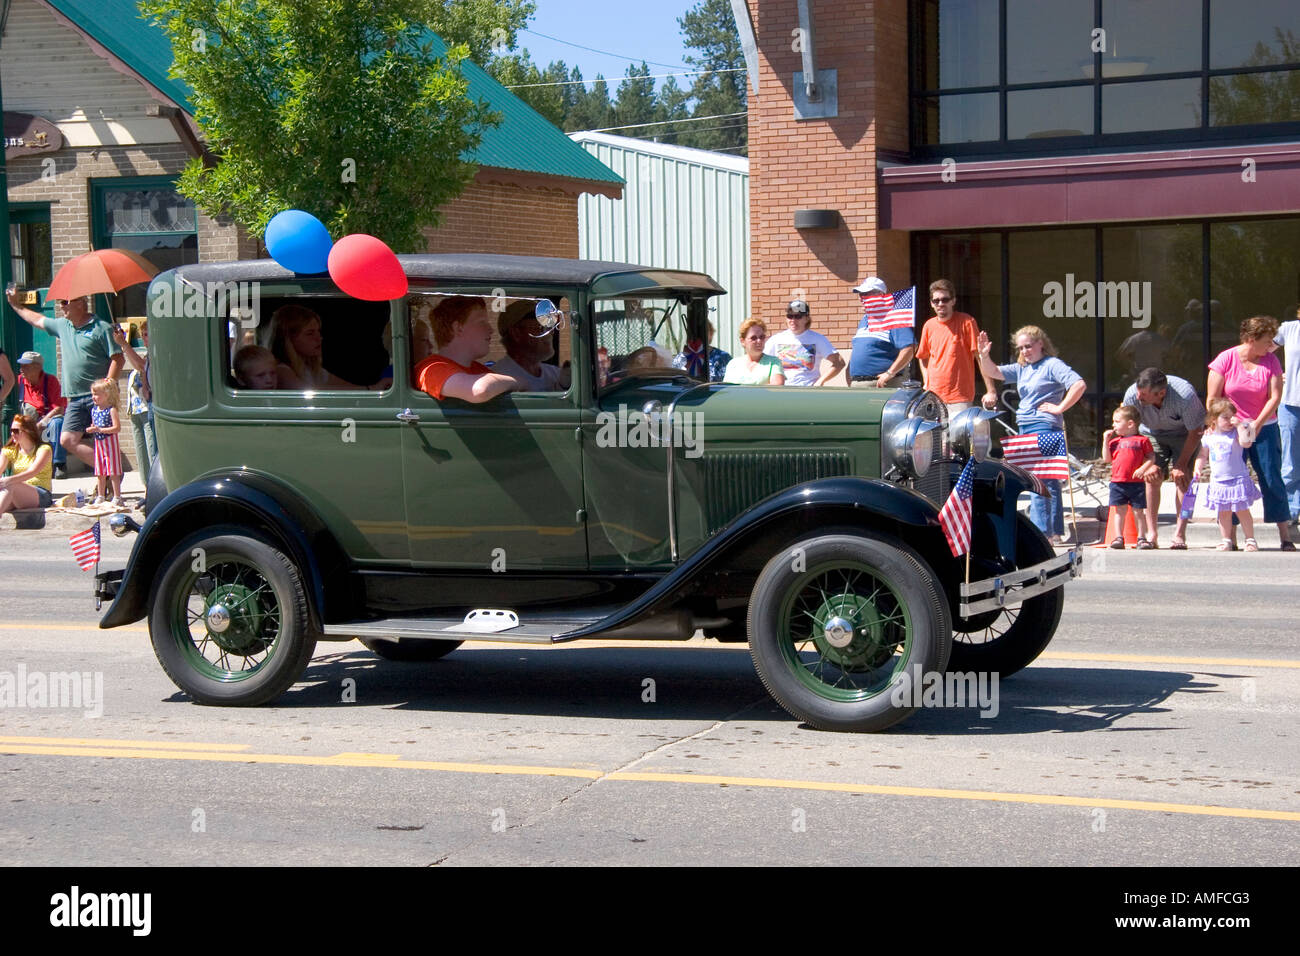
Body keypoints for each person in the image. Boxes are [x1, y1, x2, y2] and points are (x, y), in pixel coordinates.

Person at [977, 325, 1086, 544]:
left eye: (1028, 346)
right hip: (1025, 426)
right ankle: (1052, 532)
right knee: (1044, 480)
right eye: (1021, 347)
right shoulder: (1022, 368)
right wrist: (984, 355)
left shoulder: (1052, 365)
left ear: (1041, 344)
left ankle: (1043, 533)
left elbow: (1078, 384)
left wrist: (1060, 407)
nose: (1025, 351)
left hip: (1044, 426)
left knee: (1040, 479)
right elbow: (994, 372)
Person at [5, 289, 123, 472]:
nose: (61, 306)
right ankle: (109, 471)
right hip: (75, 398)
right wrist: (15, 305)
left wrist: (108, 386)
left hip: (99, 398)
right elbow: (35, 319)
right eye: (60, 303)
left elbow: (118, 358)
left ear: (81, 303)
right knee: (67, 440)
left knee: (103, 439)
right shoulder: (63, 325)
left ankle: (109, 477)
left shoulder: (102, 328)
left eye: (64, 302)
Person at [1207, 315, 1294, 551]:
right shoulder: (1226, 359)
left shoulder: (1271, 361)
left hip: (1263, 427)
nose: (1270, 346)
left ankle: (1285, 535)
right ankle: (1231, 537)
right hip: (1230, 429)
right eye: (1266, 341)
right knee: (1230, 478)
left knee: (1271, 477)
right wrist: (1225, 424)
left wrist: (1255, 424)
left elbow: (1275, 397)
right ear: (1250, 339)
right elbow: (1213, 399)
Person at [1122, 367, 1205, 549]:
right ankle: (1152, 534)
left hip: (1185, 434)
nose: (1138, 397)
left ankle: (1180, 533)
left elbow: (1196, 431)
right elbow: (1128, 429)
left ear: (1161, 393)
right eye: (1138, 391)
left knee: (1184, 480)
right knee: (1151, 478)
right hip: (1150, 434)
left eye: (1144, 394)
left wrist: (1182, 464)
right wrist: (1148, 462)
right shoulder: (1131, 395)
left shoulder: (1185, 395)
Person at [414, 296, 522, 403]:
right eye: (482, 322)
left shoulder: (479, 370)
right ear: (458, 328)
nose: (491, 329)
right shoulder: (431, 368)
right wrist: (518, 381)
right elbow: (478, 390)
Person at [916, 278, 998, 416]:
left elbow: (981, 357)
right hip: (934, 397)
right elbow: (922, 357)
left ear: (953, 301)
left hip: (960, 397)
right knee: (934, 437)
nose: (940, 304)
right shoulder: (928, 326)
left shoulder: (967, 322)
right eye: (936, 301)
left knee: (959, 437)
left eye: (945, 299)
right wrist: (927, 380)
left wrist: (991, 391)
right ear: (931, 304)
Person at [1195, 398, 1262, 551]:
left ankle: (1250, 540)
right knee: (1223, 512)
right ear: (1214, 419)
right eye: (1225, 417)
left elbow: (1247, 443)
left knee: (1242, 511)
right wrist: (1197, 468)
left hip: (1237, 479)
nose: (1229, 421)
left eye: (1231, 416)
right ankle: (1226, 539)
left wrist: (1239, 425)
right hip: (1219, 480)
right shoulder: (1208, 436)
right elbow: (1203, 455)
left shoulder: (1236, 433)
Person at [268, 304, 376, 390]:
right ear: (288, 339)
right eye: (310, 333)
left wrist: (372, 389)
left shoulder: (312, 370)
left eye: (318, 332)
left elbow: (350, 389)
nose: (319, 338)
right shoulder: (281, 371)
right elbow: (315, 395)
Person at [1102, 405, 1158, 549]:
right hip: (1118, 481)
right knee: (1119, 511)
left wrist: (1142, 469)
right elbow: (1107, 459)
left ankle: (1141, 537)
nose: (1113, 425)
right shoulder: (1115, 442)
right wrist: (1105, 441)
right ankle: (1118, 537)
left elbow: (1151, 457)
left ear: (1130, 424)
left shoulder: (1142, 440)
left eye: (1117, 421)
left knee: (1138, 511)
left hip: (1136, 482)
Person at [848, 277, 915, 387]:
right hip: (857, 385)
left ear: (880, 295)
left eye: (865, 294)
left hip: (881, 385)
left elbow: (910, 348)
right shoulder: (864, 320)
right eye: (860, 295)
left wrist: (890, 373)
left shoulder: (893, 318)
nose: (861, 298)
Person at [764, 299, 843, 387]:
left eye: (798, 316)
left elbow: (839, 363)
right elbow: (762, 363)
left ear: (806, 318)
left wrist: (820, 381)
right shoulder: (776, 339)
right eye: (790, 316)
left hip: (808, 392)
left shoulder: (818, 339)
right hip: (781, 391)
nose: (793, 320)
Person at [112, 322, 156, 480]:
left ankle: (153, 485)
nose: (144, 338)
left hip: (147, 407)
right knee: (141, 451)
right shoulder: (148, 354)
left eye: (146, 334)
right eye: (142, 335)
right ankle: (146, 486)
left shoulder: (157, 354)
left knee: (152, 450)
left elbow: (140, 366)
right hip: (135, 409)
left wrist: (124, 344)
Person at [491, 300, 568, 391]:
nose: (549, 334)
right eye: (541, 328)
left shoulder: (556, 374)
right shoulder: (499, 377)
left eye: (549, 328)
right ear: (516, 333)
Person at [14, 351, 68, 478]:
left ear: (37, 367)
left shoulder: (51, 381)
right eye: (21, 365)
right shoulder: (18, 381)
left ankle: (59, 464)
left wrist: (40, 424)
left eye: (26, 366)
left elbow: (59, 408)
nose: (22, 369)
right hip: (26, 423)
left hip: (46, 422)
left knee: (58, 422)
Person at [1274, 308, 1300, 525]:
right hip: (1291, 403)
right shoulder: (1288, 329)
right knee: (1290, 462)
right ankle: (1290, 514)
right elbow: (1261, 352)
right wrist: (1273, 373)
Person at [0, 414, 54, 516]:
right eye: (11, 430)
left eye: (16, 431)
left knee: (10, 485)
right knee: (8, 488)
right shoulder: (9, 451)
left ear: (28, 432)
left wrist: (8, 480)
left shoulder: (43, 449)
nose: (12, 434)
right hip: (17, 493)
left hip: (41, 493)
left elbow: (33, 472)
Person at [85, 377, 124, 508]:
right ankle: (100, 495)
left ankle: (117, 496)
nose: (93, 397)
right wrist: (93, 428)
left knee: (113, 471)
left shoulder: (111, 410)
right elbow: (95, 425)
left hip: (110, 444)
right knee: (100, 472)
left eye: (96, 394)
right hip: (99, 444)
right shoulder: (94, 410)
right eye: (92, 394)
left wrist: (100, 429)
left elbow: (117, 428)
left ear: (106, 395)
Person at [724, 318, 785, 384]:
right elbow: (726, 390)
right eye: (753, 338)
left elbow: (777, 389)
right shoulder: (733, 364)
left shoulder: (774, 362)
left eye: (761, 337)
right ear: (743, 341)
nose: (759, 341)